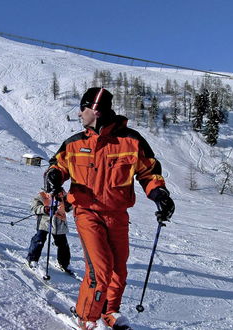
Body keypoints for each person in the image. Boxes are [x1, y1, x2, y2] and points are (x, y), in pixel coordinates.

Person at [44, 87, 175, 330]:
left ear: (94, 109)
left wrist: (160, 195)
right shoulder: (75, 143)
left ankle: (109, 310)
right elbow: (58, 165)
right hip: (87, 212)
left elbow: (148, 172)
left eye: (82, 108)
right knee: (100, 269)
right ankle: (86, 316)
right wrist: (53, 176)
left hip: (117, 214)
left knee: (118, 269)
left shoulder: (131, 140)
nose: (79, 114)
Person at [27, 189, 72, 272]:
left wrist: (70, 204)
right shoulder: (42, 194)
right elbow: (35, 207)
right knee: (39, 240)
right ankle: (33, 259)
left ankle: (64, 263)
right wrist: (44, 209)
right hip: (44, 222)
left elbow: (67, 207)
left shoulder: (62, 193)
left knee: (62, 243)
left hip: (59, 223)